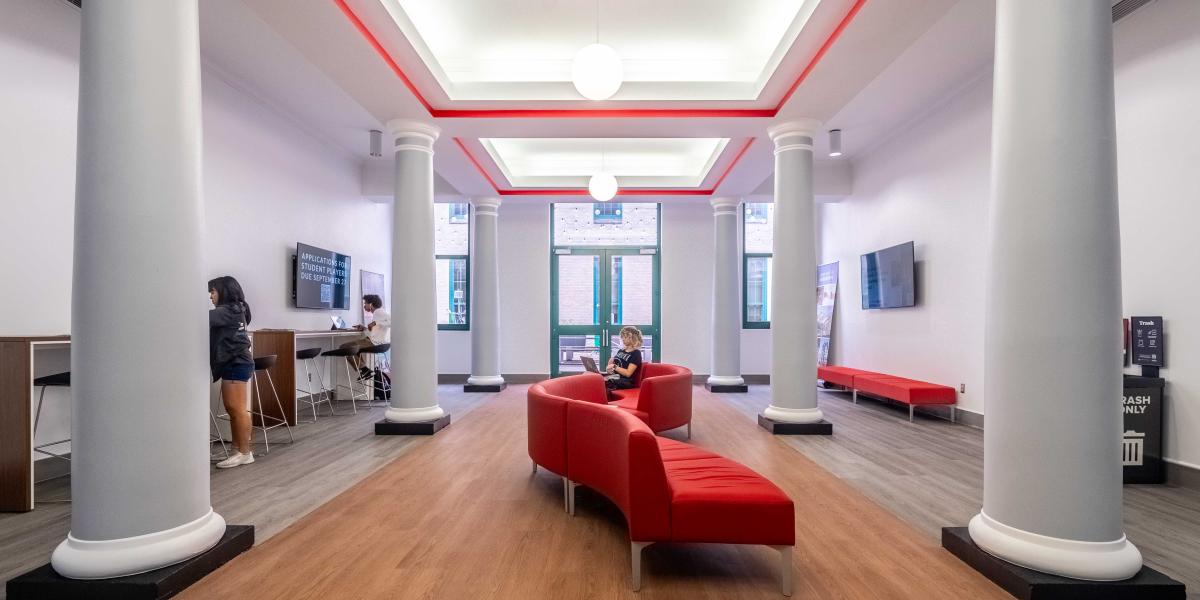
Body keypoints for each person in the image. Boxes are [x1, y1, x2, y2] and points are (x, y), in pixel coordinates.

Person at [209, 276, 255, 469]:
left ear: (223, 291)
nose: (211, 296)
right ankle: (237, 450)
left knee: (236, 409)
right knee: (234, 409)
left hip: (236, 363)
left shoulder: (226, 311)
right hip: (237, 362)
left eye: (213, 291)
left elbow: (196, 318)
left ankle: (244, 452)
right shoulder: (238, 309)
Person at [339, 294, 390, 380]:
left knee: (344, 347)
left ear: (371, 304)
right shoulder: (378, 313)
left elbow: (392, 321)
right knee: (354, 349)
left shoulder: (378, 312)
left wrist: (377, 323)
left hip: (373, 343)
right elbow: (374, 332)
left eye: (365, 303)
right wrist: (365, 328)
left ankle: (365, 370)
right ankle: (365, 370)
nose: (364, 306)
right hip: (379, 343)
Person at [605, 325, 644, 394]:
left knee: (606, 382)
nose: (622, 339)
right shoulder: (621, 351)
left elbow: (628, 373)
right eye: (622, 337)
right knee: (598, 378)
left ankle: (604, 402)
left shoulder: (636, 353)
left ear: (632, 338)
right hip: (616, 377)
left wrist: (614, 366)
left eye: (625, 337)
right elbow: (616, 367)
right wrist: (610, 369)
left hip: (626, 381)